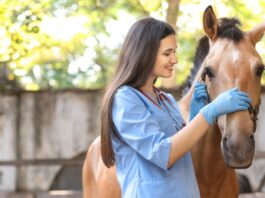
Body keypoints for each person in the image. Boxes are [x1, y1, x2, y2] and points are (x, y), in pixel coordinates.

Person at [100, 17, 251, 198]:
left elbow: (181, 148)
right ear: (145, 53)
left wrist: (194, 115)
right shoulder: (125, 99)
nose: (175, 59)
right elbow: (164, 154)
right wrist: (209, 111)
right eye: (167, 53)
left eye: (175, 52)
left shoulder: (166, 100)